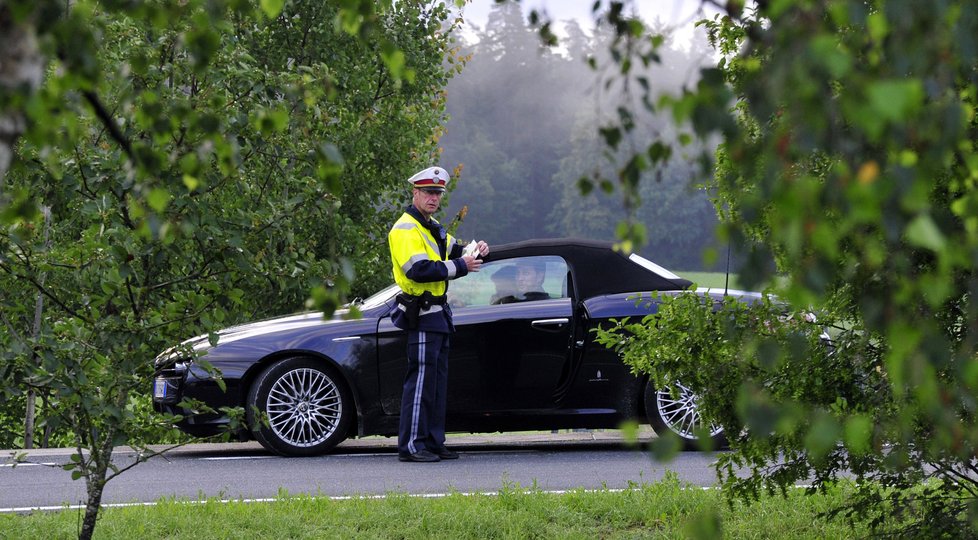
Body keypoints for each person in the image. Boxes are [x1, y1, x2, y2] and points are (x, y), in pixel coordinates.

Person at [387, 166, 489, 463]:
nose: (434, 198)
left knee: (435, 384)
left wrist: (479, 251)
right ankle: (411, 446)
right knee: (419, 383)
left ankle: (432, 442)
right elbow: (417, 271)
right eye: (429, 193)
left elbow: (457, 250)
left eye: (438, 193)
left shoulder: (430, 226)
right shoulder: (406, 228)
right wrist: (462, 266)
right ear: (415, 193)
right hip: (421, 314)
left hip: (438, 315)